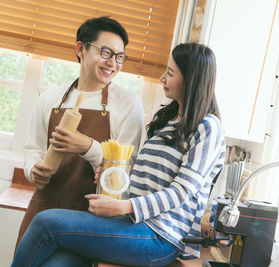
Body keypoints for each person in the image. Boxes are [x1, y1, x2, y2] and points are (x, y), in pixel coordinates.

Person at [12, 43, 226, 267]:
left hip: (160, 237)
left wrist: (125, 207)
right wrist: (112, 180)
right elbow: (145, 182)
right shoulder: (168, 122)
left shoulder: (208, 127)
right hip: (131, 225)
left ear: (191, 80)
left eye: (170, 73)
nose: (162, 77)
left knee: (45, 222)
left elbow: (181, 191)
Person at [15, 16, 144, 250]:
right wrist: (33, 169)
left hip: (90, 221)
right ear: (80, 49)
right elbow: (32, 149)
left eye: (119, 57)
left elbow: (123, 174)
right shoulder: (49, 98)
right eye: (105, 52)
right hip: (43, 208)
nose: (113, 63)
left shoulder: (128, 104)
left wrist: (87, 146)